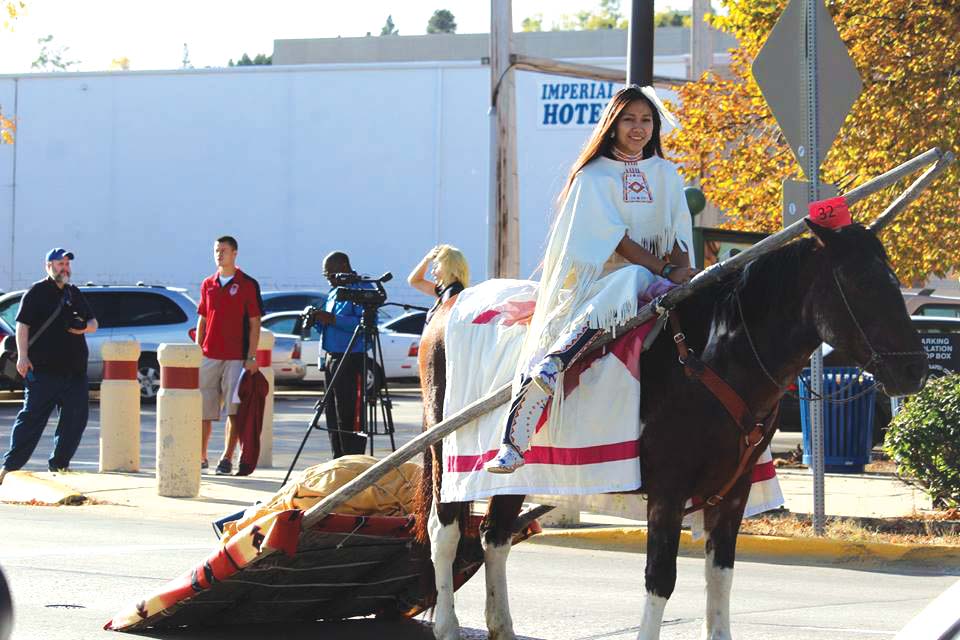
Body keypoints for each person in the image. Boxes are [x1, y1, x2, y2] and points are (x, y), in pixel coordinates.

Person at [485, 85, 697, 473]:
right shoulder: (592, 176)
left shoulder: (665, 173)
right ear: (612, 125)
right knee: (631, 275)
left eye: (646, 120)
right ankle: (552, 367)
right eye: (629, 119)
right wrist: (664, 270)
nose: (638, 128)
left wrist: (683, 273)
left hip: (655, 281)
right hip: (599, 284)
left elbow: (679, 230)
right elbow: (614, 239)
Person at [0, 248, 98, 484]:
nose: (64, 268)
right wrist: (23, 357)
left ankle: (60, 465)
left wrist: (82, 328)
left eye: (67, 264)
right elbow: (22, 326)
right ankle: (9, 468)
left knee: (75, 420)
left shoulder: (74, 293)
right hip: (43, 370)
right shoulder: (36, 292)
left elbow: (94, 322)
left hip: (74, 372)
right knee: (32, 419)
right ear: (48, 266)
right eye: (59, 263)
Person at [196, 236, 263, 475]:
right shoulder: (208, 283)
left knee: (233, 410)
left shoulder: (247, 284)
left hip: (236, 356)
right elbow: (203, 318)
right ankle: (201, 456)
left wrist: (252, 357)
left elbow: (255, 323)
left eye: (223, 250)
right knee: (203, 409)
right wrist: (197, 348)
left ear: (235, 253)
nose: (219, 254)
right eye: (216, 250)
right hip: (209, 355)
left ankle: (227, 457)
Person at [312, 251, 369, 458]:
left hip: (351, 357)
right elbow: (328, 328)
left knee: (349, 414)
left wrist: (333, 319)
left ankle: (352, 459)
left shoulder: (361, 289)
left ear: (344, 266)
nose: (328, 277)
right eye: (325, 274)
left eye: (330, 272)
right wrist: (317, 320)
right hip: (331, 357)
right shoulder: (335, 291)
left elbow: (364, 325)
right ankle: (337, 458)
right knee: (332, 413)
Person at [407, 244, 470, 323]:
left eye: (436, 266)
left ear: (448, 267)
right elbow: (414, 281)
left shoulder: (452, 292)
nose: (432, 272)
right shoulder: (446, 290)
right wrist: (426, 259)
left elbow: (445, 327)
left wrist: (427, 259)